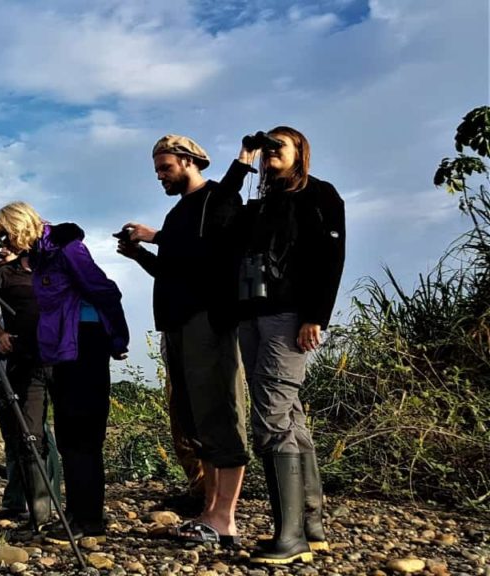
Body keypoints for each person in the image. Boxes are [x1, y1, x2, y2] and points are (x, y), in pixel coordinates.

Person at [116, 135, 255, 547]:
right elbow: (176, 270)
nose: (161, 176)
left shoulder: (218, 199)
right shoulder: (178, 215)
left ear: (191, 162)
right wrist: (139, 254)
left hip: (208, 323)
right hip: (175, 325)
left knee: (220, 413)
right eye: (157, 170)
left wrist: (153, 235)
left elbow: (210, 243)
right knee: (195, 420)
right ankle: (210, 510)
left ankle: (225, 518)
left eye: (166, 168)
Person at [0, 203, 129, 545]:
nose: (2, 242)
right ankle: (77, 513)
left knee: (83, 433)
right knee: (68, 436)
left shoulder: (67, 249)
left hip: (85, 342)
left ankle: (90, 518)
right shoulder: (41, 258)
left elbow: (104, 289)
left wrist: (117, 338)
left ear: (19, 227)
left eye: (4, 234)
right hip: (62, 349)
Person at [238, 126, 344, 565]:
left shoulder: (321, 194)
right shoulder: (261, 204)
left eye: (277, 145)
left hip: (289, 316)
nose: (270, 153)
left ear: (301, 151)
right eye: (266, 149)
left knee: (271, 415)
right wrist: (244, 160)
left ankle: (290, 537)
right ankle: (311, 525)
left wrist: (315, 316)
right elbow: (224, 227)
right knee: (291, 416)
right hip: (252, 314)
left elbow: (331, 259)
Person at [0, 246, 62, 532]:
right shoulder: (0, 277)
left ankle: (60, 504)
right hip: (13, 364)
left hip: (51, 358)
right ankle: (29, 507)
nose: (2, 252)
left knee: (51, 437)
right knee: (22, 436)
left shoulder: (50, 269)